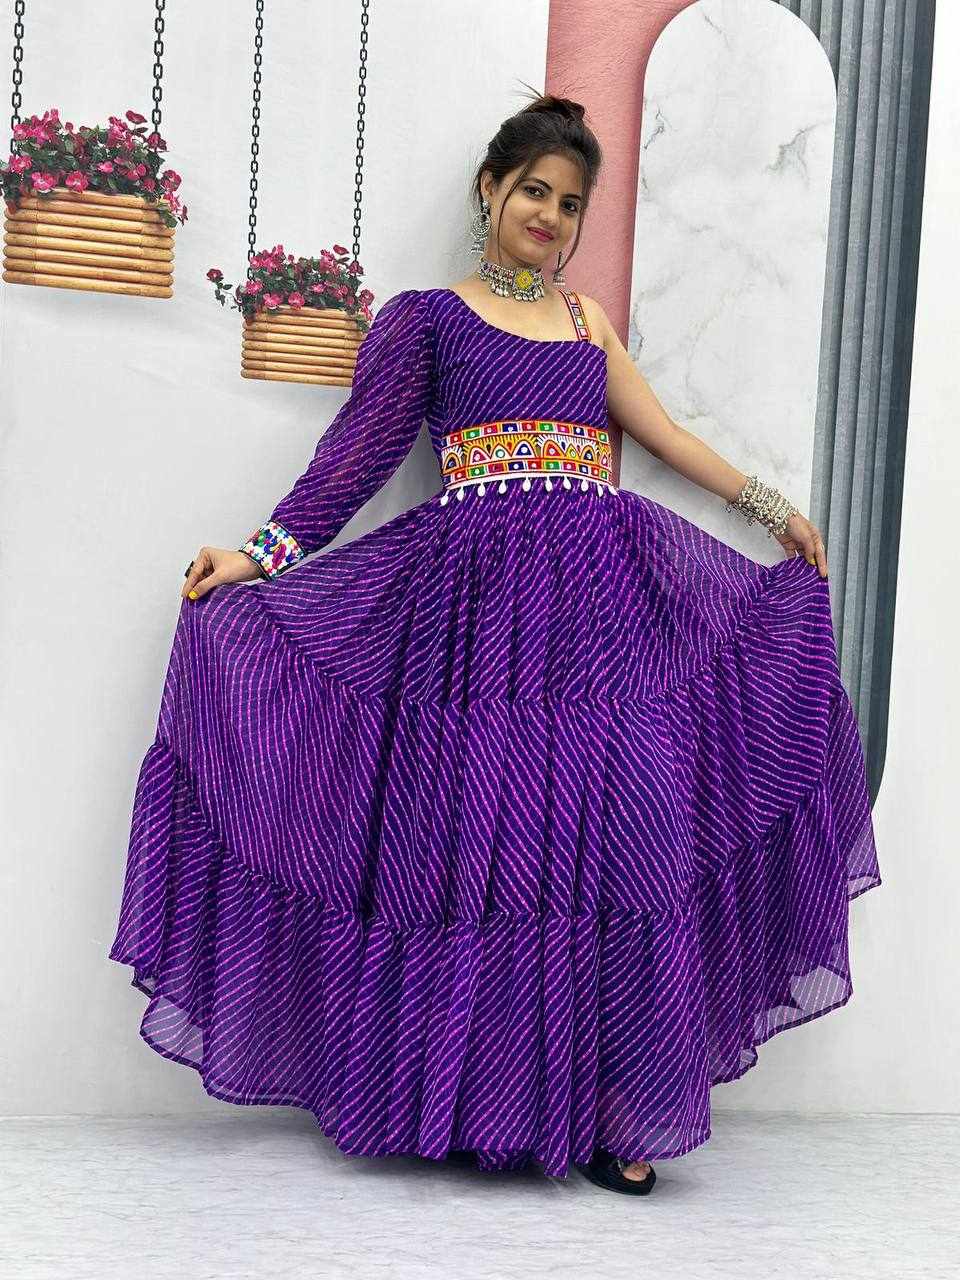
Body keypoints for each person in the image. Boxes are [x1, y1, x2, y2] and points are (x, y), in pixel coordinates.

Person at [108, 91, 881, 1198]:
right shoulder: (427, 320)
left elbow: (663, 436)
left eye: (569, 204)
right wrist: (260, 555)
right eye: (534, 192)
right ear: (491, 188)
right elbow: (356, 458)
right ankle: (472, 1102)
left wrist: (773, 509)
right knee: (478, 853)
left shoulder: (585, 324)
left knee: (622, 845)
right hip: (475, 635)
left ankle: (619, 1105)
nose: (549, 217)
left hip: (601, 625)